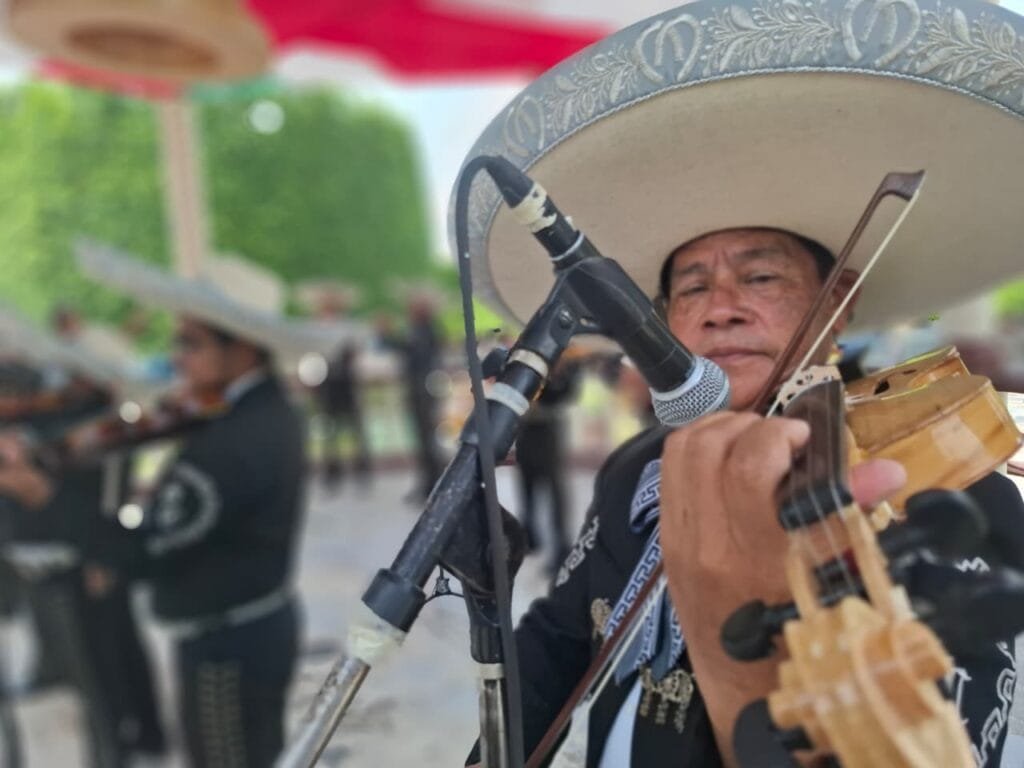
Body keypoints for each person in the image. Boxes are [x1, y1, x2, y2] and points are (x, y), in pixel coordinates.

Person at [456, 0, 1024, 763]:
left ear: (840, 298)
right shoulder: (637, 472)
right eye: (691, 290)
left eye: (760, 276)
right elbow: (564, 631)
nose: (722, 309)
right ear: (658, 324)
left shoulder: (945, 488)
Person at [0, 245, 315, 767]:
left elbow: (141, 552)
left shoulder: (227, 447)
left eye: (189, 343)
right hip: (252, 627)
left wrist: (40, 493)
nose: (174, 357)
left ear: (243, 351)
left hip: (227, 647)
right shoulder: (263, 410)